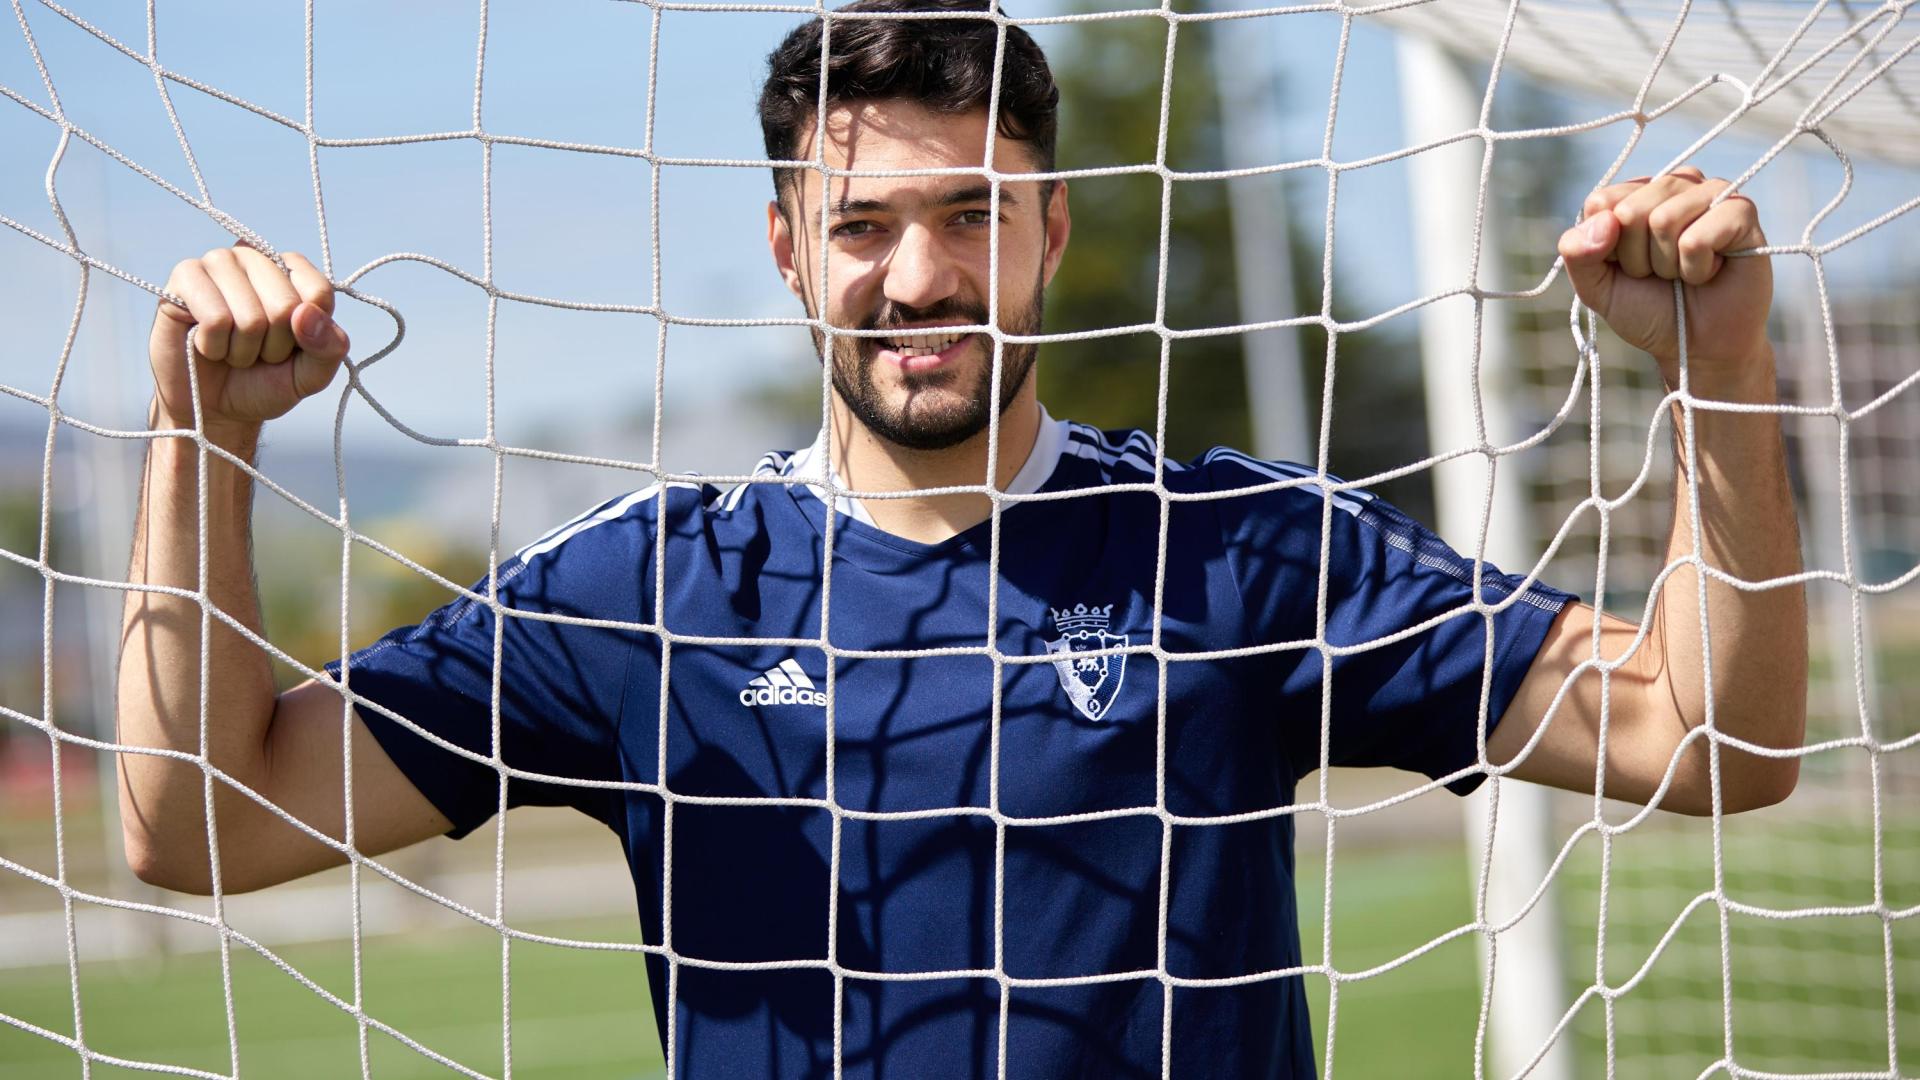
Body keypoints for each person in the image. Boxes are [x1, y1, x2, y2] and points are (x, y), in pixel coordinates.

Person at [116, 0, 1807, 1074]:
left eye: (969, 214)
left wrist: (1718, 371)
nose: (917, 278)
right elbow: (196, 824)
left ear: (1051, 231)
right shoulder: (653, 593)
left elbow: (1708, 739)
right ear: (787, 250)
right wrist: (202, 437)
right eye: (861, 224)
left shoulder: (1232, 551)